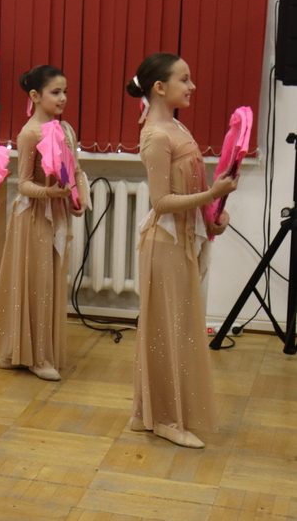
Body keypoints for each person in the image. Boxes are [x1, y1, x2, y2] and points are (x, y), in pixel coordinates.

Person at [127, 53, 237, 448]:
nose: (192, 86)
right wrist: (211, 195)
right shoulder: (156, 135)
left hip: (182, 242)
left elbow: (194, 189)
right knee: (166, 332)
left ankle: (154, 412)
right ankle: (164, 419)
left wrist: (214, 216)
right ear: (160, 88)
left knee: (177, 331)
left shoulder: (176, 127)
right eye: (184, 79)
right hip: (164, 246)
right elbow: (161, 202)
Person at [0, 65, 89, 381]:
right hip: (32, 217)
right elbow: (24, 184)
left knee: (50, 282)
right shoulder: (30, 133)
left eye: (65, 91)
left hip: (56, 213)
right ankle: (33, 355)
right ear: (35, 95)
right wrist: (51, 192)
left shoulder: (66, 129)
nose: (63, 98)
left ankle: (20, 351)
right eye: (55, 92)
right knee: (34, 283)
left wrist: (79, 198)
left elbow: (76, 170)